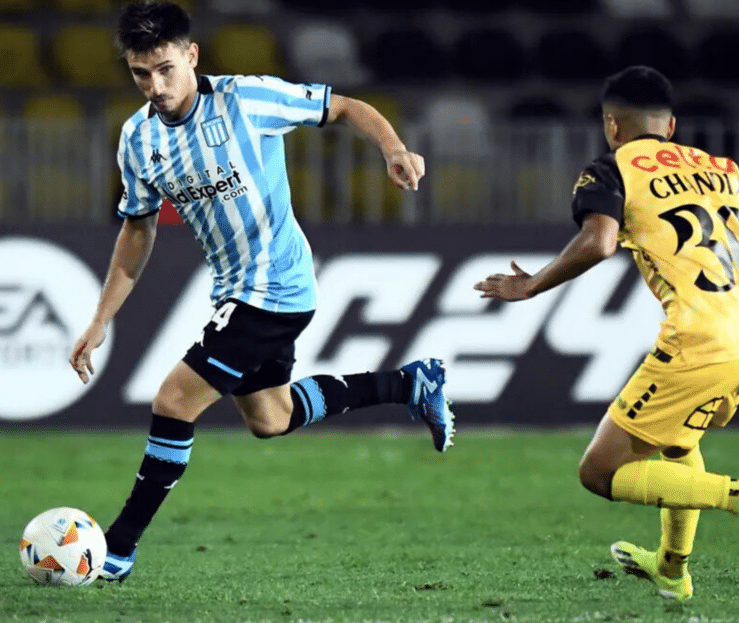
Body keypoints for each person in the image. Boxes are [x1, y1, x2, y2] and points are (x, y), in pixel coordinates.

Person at [68, 0, 455, 583]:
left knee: (174, 402)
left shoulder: (246, 100)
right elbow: (138, 227)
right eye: (140, 74)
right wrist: (101, 319)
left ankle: (118, 549)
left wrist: (393, 148)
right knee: (270, 418)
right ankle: (409, 384)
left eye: (166, 69)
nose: (155, 86)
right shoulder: (138, 139)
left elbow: (345, 106)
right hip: (235, 290)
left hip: (274, 285)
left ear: (191, 56)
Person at [474, 66, 739, 600]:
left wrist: (534, 284)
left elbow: (599, 242)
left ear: (612, 125)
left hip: (702, 338)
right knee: (679, 441)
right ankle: (672, 568)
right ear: (672, 125)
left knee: (599, 471)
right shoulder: (722, 169)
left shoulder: (611, 171)